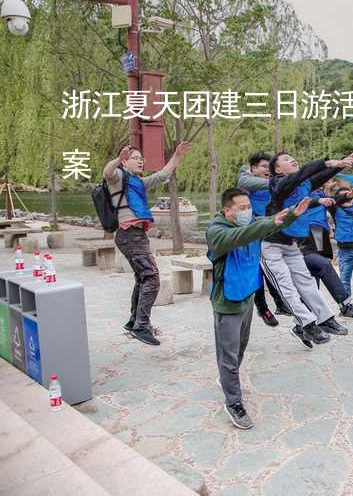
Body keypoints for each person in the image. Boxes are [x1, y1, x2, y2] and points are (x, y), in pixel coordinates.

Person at [206, 188, 310, 429]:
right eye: (241, 208)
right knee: (228, 355)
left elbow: (264, 225)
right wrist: (269, 221)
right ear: (227, 210)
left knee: (239, 349)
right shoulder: (216, 231)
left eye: (249, 206)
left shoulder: (252, 222)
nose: (247, 211)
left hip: (247, 296)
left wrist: (292, 215)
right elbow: (244, 234)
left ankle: (227, 380)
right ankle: (233, 402)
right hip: (227, 301)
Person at [263, 151, 353, 347]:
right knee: (287, 288)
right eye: (286, 159)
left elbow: (316, 179)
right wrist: (326, 162)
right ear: (277, 169)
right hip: (271, 246)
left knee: (308, 283)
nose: (292, 159)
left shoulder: (302, 185)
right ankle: (307, 324)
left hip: (292, 244)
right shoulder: (279, 185)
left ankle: (325, 318)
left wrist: (342, 164)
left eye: (293, 156)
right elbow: (301, 174)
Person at [102, 141, 192, 346]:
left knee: (143, 278)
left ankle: (134, 321)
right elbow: (107, 171)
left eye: (142, 158)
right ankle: (141, 326)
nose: (141, 161)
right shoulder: (118, 178)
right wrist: (118, 158)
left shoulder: (138, 182)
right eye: (135, 158)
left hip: (135, 234)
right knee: (151, 278)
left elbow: (162, 174)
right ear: (125, 161)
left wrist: (177, 155)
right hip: (128, 233)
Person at [236, 152, 292, 326]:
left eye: (269, 167)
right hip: (252, 231)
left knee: (271, 266)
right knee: (257, 270)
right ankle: (263, 308)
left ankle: (281, 303)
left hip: (269, 228)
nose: (267, 170)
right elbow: (244, 182)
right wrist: (280, 181)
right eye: (263, 167)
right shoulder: (246, 180)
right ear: (253, 168)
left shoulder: (273, 182)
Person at [300, 182, 353, 318]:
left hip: (321, 230)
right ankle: (318, 307)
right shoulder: (305, 192)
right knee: (318, 267)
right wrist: (346, 195)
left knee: (318, 268)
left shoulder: (319, 193)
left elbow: (334, 202)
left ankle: (314, 307)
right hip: (314, 229)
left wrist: (329, 191)